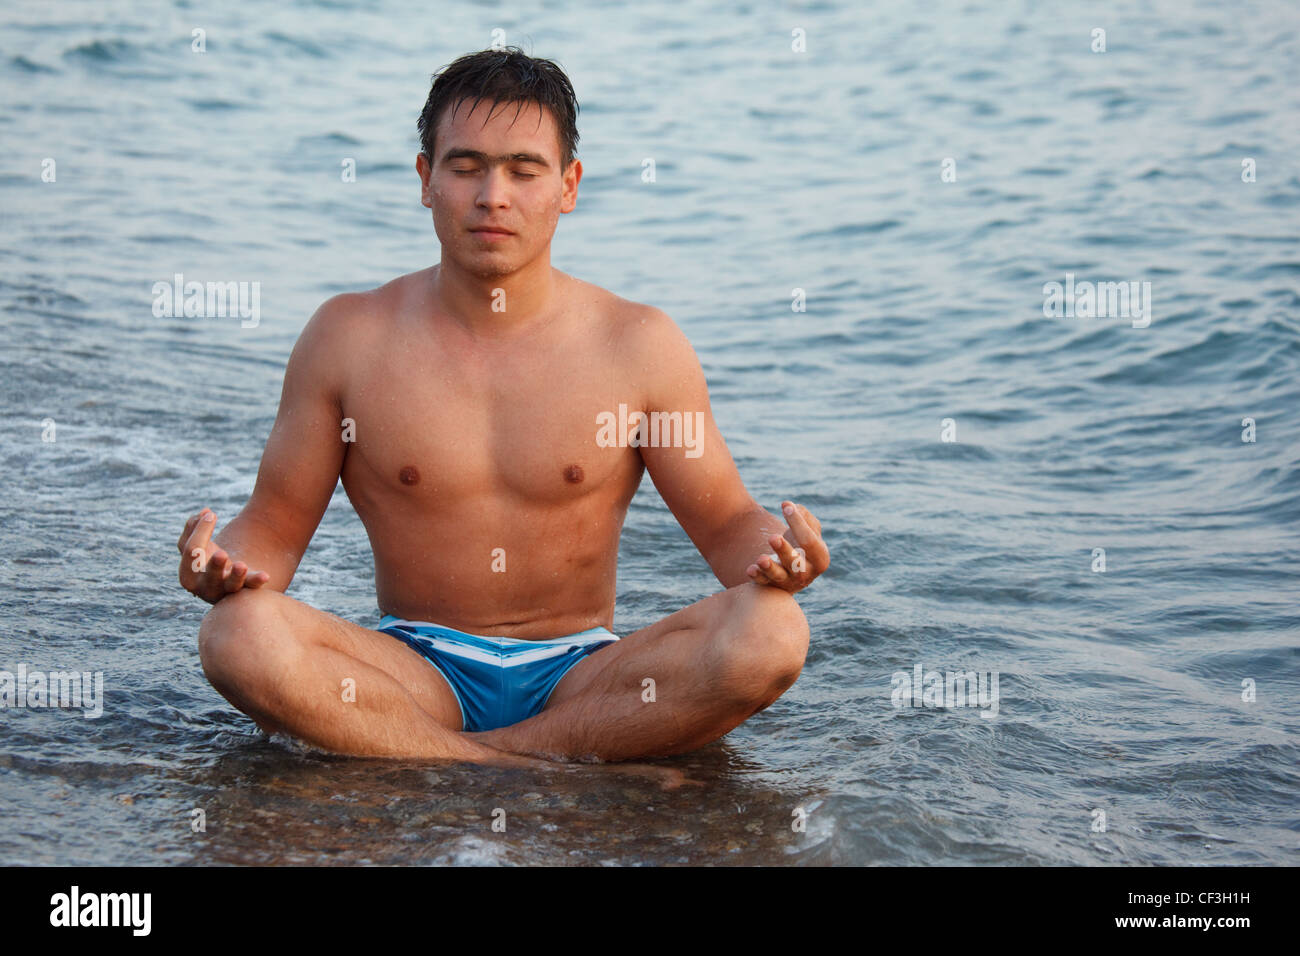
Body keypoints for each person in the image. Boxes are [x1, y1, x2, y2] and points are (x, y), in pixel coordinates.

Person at [177, 47, 830, 763]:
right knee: (237, 636)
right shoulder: (348, 337)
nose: (494, 195)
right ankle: (529, 762)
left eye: (524, 170)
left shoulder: (639, 344)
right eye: (465, 167)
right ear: (426, 180)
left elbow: (726, 520)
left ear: (569, 186)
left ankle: (447, 759)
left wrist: (776, 555)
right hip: (414, 669)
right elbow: (272, 522)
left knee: (773, 633)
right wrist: (224, 565)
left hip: (583, 672)